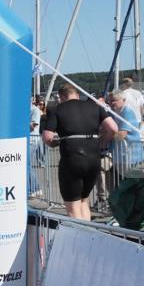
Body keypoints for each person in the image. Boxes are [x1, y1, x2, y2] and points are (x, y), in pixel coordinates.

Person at [41, 85, 118, 220]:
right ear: (77, 95)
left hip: (72, 159)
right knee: (84, 201)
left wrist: (55, 143)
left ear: (61, 97)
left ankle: (80, 236)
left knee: (73, 206)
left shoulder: (56, 109)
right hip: (94, 158)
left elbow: (47, 137)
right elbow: (113, 128)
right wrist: (103, 140)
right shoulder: (95, 106)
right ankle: (89, 234)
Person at [106, 90, 144, 191]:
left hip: (130, 155)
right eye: (109, 101)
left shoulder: (127, 112)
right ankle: (117, 200)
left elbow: (122, 135)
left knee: (129, 182)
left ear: (123, 100)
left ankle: (129, 202)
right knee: (112, 177)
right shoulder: (113, 113)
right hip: (120, 155)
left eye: (114, 100)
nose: (111, 103)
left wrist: (105, 137)